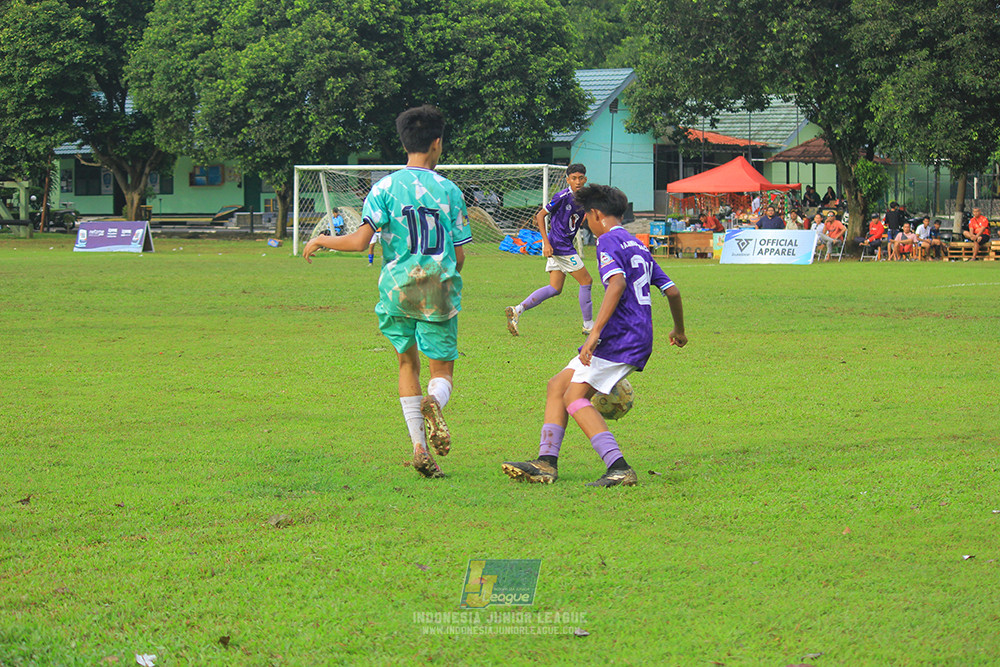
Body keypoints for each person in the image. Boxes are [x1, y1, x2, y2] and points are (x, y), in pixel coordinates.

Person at [302, 105, 472, 479]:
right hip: (437, 288)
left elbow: (361, 241)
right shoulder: (449, 190)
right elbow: (459, 255)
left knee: (407, 363)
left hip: (396, 289)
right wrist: (445, 279)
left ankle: (419, 448)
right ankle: (434, 401)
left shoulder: (383, 188)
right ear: (437, 143)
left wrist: (323, 239)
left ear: (404, 142)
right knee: (441, 370)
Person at [501, 184, 687, 488]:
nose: (586, 222)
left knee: (574, 397)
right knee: (557, 385)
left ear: (597, 214)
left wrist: (594, 332)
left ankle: (619, 467)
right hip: (635, 334)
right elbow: (673, 291)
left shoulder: (607, 241)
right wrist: (679, 330)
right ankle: (546, 462)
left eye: (587, 216)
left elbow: (617, 284)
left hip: (620, 336)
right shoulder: (638, 245)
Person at [505, 164, 593, 336]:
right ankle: (588, 325)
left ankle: (517, 310)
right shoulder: (562, 196)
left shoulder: (585, 198)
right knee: (586, 281)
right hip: (560, 246)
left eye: (580, 178)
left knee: (555, 288)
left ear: (585, 179)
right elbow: (540, 216)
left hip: (563, 244)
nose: (577, 181)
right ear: (567, 180)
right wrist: (546, 243)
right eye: (573, 178)